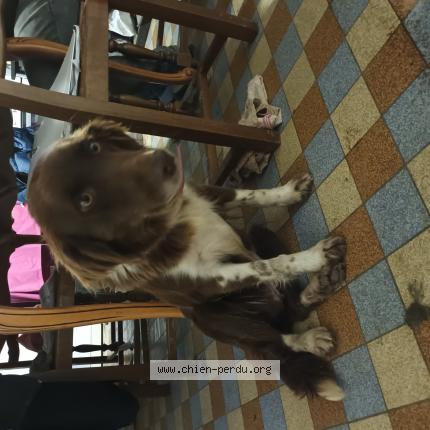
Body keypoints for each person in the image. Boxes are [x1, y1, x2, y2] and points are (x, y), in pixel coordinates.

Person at [0, 374, 139, 430]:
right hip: (26, 401)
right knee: (123, 409)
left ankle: (155, 371)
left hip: (28, 399)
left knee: (124, 408)